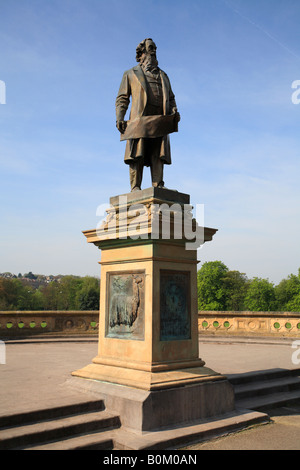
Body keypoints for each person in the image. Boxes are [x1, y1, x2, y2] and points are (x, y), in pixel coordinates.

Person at [115, 38, 180, 191]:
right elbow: (122, 98)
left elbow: (171, 97)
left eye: (155, 48)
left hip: (160, 120)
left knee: (158, 152)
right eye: (150, 47)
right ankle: (135, 187)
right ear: (142, 52)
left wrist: (174, 111)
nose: (154, 51)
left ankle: (158, 184)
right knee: (138, 152)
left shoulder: (163, 75)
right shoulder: (130, 74)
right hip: (140, 119)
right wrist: (120, 117)